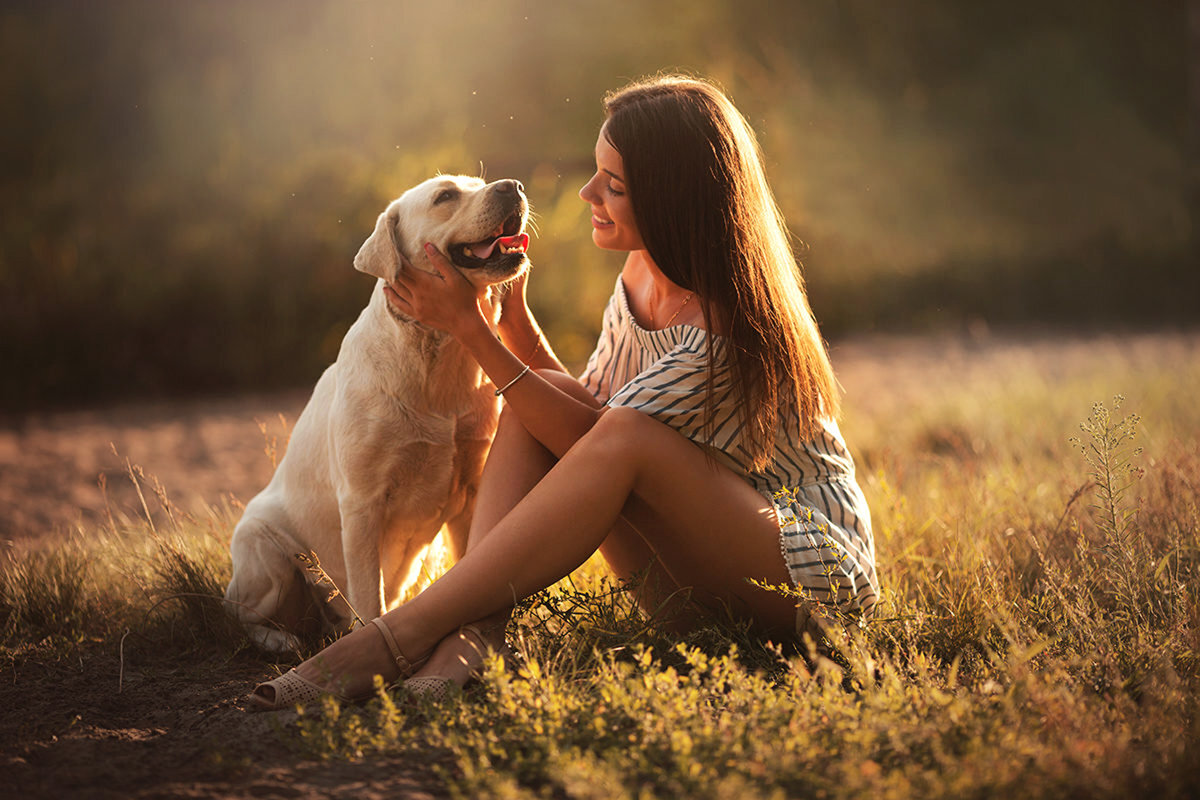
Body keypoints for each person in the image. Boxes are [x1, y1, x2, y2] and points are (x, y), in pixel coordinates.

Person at [250, 74, 878, 709]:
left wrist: (471, 329)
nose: (586, 193)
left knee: (587, 421)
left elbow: (603, 443)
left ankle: (393, 638)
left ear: (672, 201)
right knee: (535, 399)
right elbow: (584, 411)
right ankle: (475, 638)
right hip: (697, 582)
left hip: (805, 583)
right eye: (596, 171)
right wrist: (512, 324)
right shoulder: (641, 275)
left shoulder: (722, 329)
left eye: (614, 184)